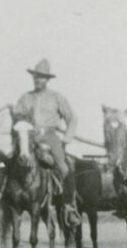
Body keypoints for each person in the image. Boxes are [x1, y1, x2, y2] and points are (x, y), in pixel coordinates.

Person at [11, 58, 81, 227]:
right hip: (28, 138)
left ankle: (69, 207)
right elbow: (18, 118)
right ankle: (6, 199)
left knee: (64, 168)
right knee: (9, 165)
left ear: (48, 79)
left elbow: (72, 119)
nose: (38, 80)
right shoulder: (24, 98)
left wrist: (66, 139)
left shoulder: (57, 97)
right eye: (36, 77)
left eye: (42, 77)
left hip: (50, 137)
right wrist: (15, 115)